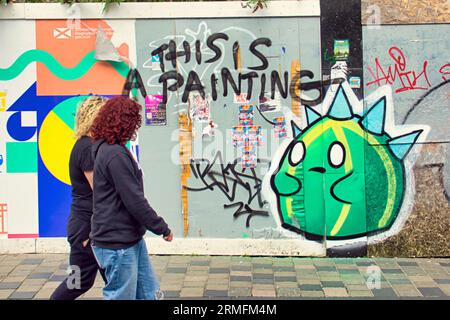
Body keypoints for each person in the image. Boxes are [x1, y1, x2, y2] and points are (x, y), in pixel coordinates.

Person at [89, 96, 173, 300]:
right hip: (117, 245)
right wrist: (161, 227)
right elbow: (134, 200)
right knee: (121, 296)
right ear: (125, 123)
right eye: (134, 121)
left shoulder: (107, 149)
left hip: (129, 240)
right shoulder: (115, 155)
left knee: (149, 295)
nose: (136, 126)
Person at [50, 96, 107, 300]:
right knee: (77, 283)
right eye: (104, 115)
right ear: (94, 117)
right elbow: (99, 191)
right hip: (86, 230)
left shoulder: (88, 145)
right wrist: (91, 235)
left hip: (85, 226)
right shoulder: (86, 148)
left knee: (116, 281)